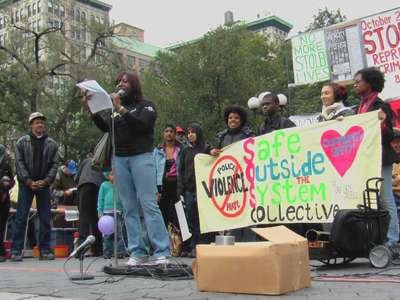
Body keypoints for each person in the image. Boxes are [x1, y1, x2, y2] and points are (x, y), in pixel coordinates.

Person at [82, 71, 170, 266]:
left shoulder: (146, 106)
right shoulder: (115, 109)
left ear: (134, 85)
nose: (121, 84)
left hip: (141, 157)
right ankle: (137, 251)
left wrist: (120, 109)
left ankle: (161, 250)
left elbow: (142, 126)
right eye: (119, 81)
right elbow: (108, 129)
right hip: (120, 159)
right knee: (128, 207)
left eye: (125, 81)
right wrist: (92, 111)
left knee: (148, 204)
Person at [354, 67, 399, 246]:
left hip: (381, 158)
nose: (355, 84)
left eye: (359, 81)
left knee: (385, 197)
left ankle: (393, 238)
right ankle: (378, 235)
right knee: (372, 197)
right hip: (366, 158)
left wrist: (380, 124)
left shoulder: (381, 105)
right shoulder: (360, 106)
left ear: (370, 83)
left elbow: (389, 136)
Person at [11, 112, 59, 261]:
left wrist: (45, 181)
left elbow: (54, 164)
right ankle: (16, 251)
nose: (40, 125)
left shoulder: (52, 144)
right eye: (37, 122)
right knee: (21, 217)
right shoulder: (21, 143)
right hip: (26, 185)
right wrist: (28, 181)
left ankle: (44, 250)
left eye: (41, 122)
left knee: (45, 217)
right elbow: (19, 163)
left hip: (44, 184)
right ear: (31, 125)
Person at [209, 105, 255, 241]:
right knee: (232, 213)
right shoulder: (221, 136)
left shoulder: (249, 135)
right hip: (228, 183)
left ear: (241, 120)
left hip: (246, 181)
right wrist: (212, 152)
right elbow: (212, 152)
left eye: (236, 118)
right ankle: (232, 242)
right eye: (230, 118)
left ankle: (249, 243)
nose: (232, 120)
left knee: (247, 213)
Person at [178, 123, 209, 257]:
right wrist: (181, 189)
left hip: (203, 190)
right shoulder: (185, 151)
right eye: (188, 132)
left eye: (193, 132)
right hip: (189, 190)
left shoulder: (206, 148)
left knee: (204, 219)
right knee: (192, 220)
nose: (190, 135)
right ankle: (193, 246)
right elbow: (181, 170)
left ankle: (204, 246)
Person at [153, 124, 183, 228]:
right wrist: (156, 191)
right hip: (162, 187)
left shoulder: (181, 150)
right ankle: (163, 243)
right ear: (163, 134)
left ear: (175, 134)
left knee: (180, 215)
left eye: (171, 131)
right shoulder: (157, 151)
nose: (169, 133)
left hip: (177, 186)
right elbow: (153, 171)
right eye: (166, 131)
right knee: (162, 215)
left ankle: (182, 243)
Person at [75, 155, 105, 257]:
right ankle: (98, 249)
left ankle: (81, 249)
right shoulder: (104, 161)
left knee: (84, 218)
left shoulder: (86, 160)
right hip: (99, 186)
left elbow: (77, 177)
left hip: (84, 186)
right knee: (97, 217)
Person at [97, 171, 125, 259]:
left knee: (119, 233)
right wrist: (100, 211)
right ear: (108, 176)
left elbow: (123, 198)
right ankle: (108, 252)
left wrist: (124, 210)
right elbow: (100, 199)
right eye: (112, 174)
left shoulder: (121, 185)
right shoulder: (104, 185)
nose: (114, 176)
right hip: (107, 212)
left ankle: (120, 252)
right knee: (107, 234)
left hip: (118, 211)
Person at [0, 145, 14, 262]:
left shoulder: (6, 166)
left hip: (3, 199)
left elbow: (12, 181)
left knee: (1, 227)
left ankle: (1, 252)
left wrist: (7, 183)